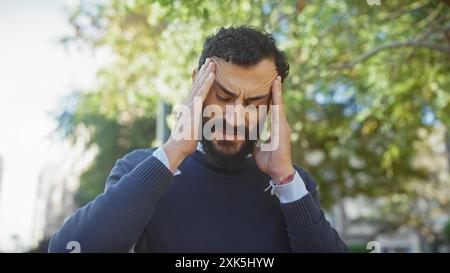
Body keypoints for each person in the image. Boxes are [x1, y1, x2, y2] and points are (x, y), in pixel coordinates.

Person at [49, 26, 349, 253]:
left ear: (273, 104)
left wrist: (286, 179)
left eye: (255, 102)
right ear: (198, 85)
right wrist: (173, 152)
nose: (234, 116)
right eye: (224, 95)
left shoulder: (295, 188)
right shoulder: (140, 168)